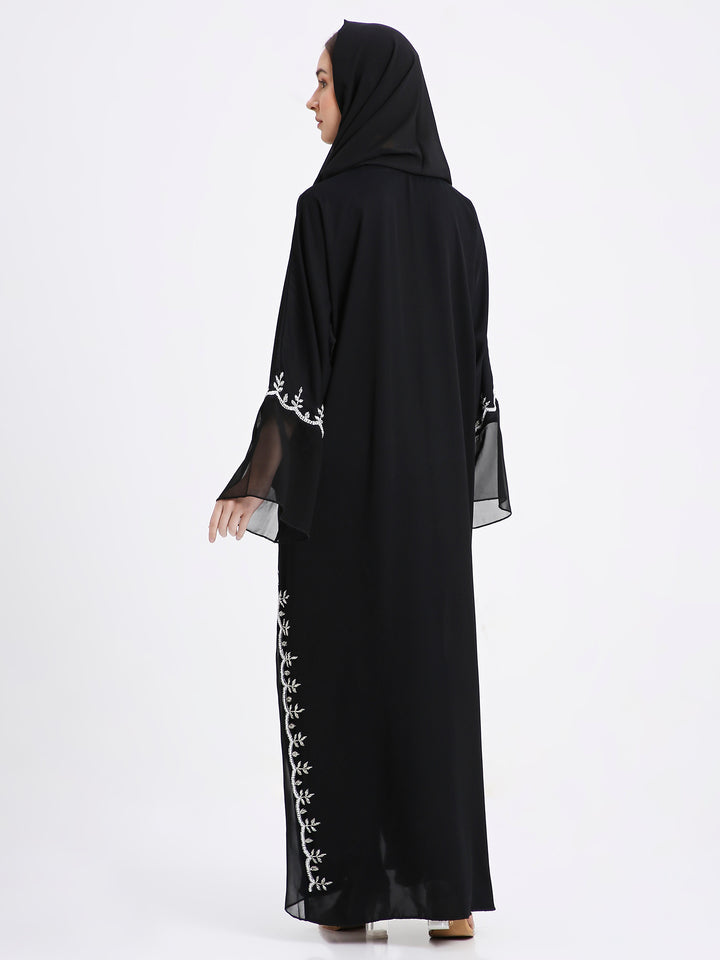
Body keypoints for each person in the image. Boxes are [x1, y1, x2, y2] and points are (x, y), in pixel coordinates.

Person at [208, 19, 512, 941]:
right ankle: (449, 900)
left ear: (367, 93)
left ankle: (350, 901)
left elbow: (300, 366)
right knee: (429, 681)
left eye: (324, 82)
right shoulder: (460, 220)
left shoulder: (327, 209)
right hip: (428, 507)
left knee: (339, 673)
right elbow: (473, 377)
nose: (311, 100)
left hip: (341, 500)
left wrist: (254, 477)